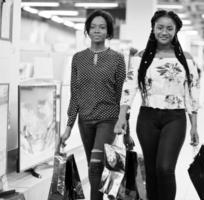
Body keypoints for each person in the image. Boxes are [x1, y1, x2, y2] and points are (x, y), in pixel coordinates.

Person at [114, 9, 200, 200]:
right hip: (147, 118)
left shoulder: (186, 58)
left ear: (176, 31)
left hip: (175, 119)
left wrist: (194, 125)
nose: (164, 32)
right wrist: (122, 117)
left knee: (165, 168)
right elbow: (129, 88)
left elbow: (192, 92)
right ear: (153, 28)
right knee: (152, 171)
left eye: (169, 28)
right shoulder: (140, 57)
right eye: (160, 27)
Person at [60, 9, 133, 200]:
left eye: (102, 27)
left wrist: (127, 130)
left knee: (95, 165)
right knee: (95, 169)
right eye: (92, 27)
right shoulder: (78, 58)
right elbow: (75, 94)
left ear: (108, 31)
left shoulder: (117, 59)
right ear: (87, 30)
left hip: (108, 120)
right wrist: (68, 127)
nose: (97, 30)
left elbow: (123, 97)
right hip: (84, 121)